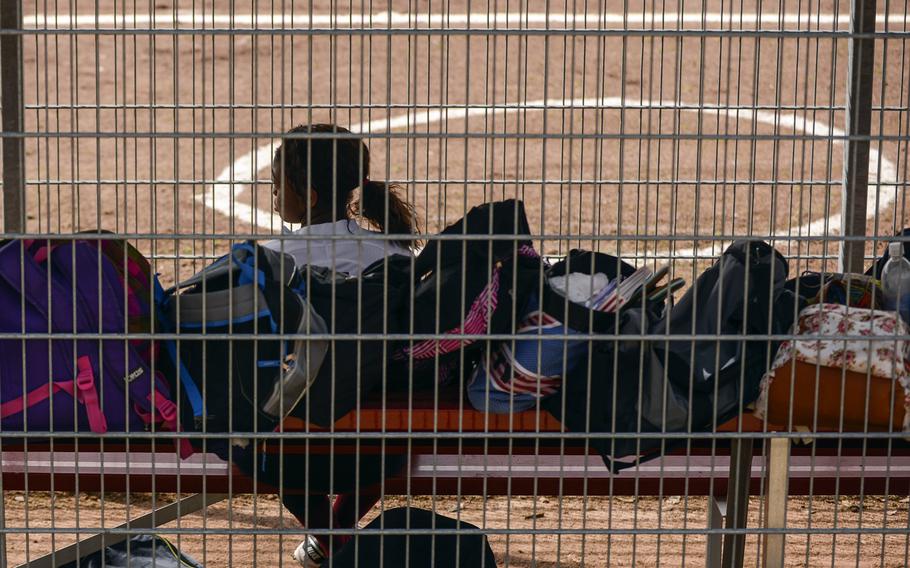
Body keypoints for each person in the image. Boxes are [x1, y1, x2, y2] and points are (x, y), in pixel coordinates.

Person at [264, 123, 418, 567]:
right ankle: (336, 534)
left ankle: (331, 538)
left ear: (308, 196)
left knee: (267, 428)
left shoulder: (273, 257)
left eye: (277, 188)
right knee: (390, 412)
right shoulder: (392, 253)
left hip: (291, 436)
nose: (273, 198)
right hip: (381, 439)